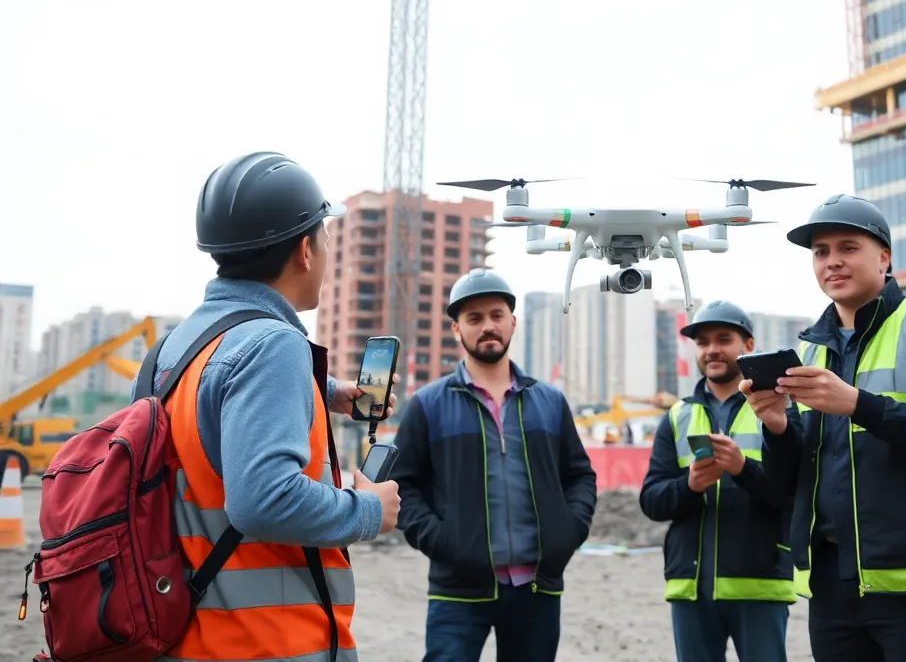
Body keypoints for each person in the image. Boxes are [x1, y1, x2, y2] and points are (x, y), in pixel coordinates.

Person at [135, 151, 402, 661]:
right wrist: (370, 511)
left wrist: (324, 390)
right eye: (325, 237)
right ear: (305, 250)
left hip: (182, 636)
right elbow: (263, 500)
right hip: (266, 644)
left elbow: (213, 409)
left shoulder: (173, 349)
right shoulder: (273, 345)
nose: (327, 250)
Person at [741, 193, 906, 662]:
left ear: (885, 256)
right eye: (820, 252)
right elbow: (787, 487)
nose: (832, 262)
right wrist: (776, 427)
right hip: (832, 582)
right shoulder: (811, 354)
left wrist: (859, 405)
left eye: (847, 247)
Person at [391, 268, 598, 662]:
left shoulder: (550, 402)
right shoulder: (428, 405)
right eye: (474, 318)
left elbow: (579, 476)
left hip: (537, 588)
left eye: (497, 315)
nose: (488, 326)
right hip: (457, 590)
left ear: (513, 322)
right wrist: (443, 542)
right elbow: (402, 486)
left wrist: (568, 531)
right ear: (457, 329)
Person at [640, 300, 797, 662]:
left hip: (760, 584)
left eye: (723, 338)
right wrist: (689, 486)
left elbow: (795, 492)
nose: (711, 349)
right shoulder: (677, 416)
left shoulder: (779, 410)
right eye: (702, 341)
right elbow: (651, 500)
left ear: (748, 345)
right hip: (691, 588)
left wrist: (743, 470)